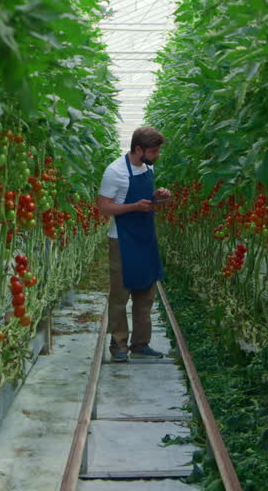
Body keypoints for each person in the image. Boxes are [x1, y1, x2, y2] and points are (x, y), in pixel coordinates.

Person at [96, 126, 172, 362]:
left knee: (146, 293)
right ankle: (119, 346)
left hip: (145, 237)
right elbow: (104, 207)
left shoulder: (148, 166)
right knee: (120, 296)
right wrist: (134, 207)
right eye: (153, 151)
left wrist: (157, 196)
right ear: (138, 149)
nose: (157, 155)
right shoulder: (115, 171)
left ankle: (141, 343)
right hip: (122, 240)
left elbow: (146, 199)